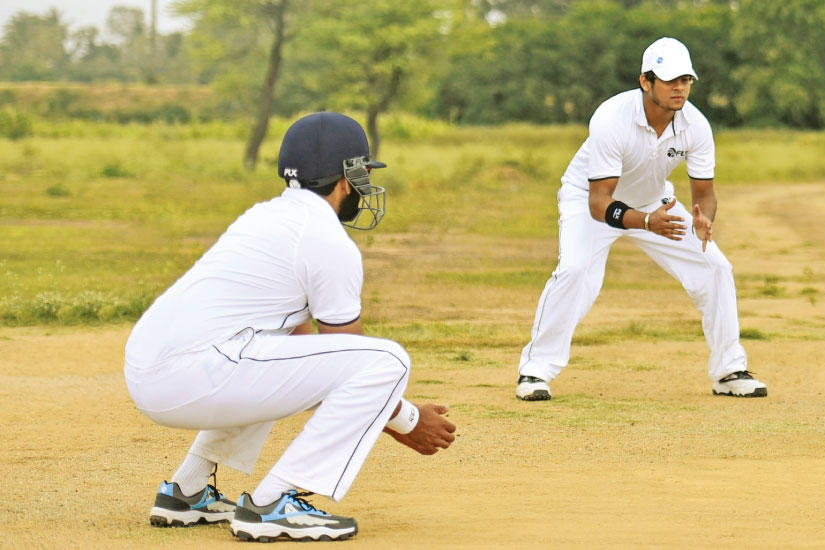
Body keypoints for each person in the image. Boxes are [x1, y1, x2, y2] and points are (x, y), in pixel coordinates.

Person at [125, 112, 458, 541]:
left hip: (153, 369)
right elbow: (350, 361)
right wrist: (409, 421)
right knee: (388, 360)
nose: (365, 186)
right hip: (194, 372)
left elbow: (306, 359)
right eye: (363, 173)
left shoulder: (264, 217)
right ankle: (272, 503)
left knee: (267, 347)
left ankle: (187, 493)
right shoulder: (327, 240)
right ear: (346, 177)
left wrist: (386, 416)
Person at [513, 37, 764, 401]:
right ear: (645, 82)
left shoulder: (696, 125)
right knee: (575, 270)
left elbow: (704, 196)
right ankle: (534, 372)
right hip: (589, 199)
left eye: (686, 80)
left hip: (654, 201)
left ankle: (728, 371)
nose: (680, 88)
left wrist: (702, 220)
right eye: (670, 80)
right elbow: (600, 203)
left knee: (716, 267)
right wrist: (646, 222)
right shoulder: (611, 118)